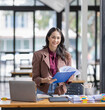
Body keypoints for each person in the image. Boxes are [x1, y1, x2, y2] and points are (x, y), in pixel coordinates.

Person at [32, 27, 74, 95]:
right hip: (43, 91)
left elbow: (69, 76)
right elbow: (35, 78)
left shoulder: (66, 55)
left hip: (60, 91)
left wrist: (70, 77)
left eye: (58, 38)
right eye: (53, 37)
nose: (55, 40)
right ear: (48, 38)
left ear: (61, 39)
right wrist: (44, 80)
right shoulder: (38, 55)